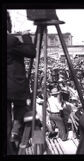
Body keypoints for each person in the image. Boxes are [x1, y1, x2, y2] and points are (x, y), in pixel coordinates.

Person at [7, 11, 36, 155]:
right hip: (14, 87)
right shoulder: (10, 40)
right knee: (20, 108)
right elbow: (31, 52)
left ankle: (9, 140)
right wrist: (25, 35)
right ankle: (14, 132)